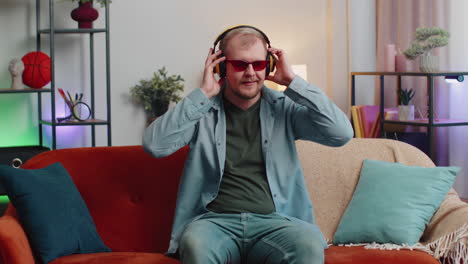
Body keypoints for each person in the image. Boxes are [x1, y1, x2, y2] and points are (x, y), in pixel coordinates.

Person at [143, 25, 353, 264]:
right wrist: (202, 93)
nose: (251, 73)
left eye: (260, 64)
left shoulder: (285, 109)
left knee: (307, 245)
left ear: (270, 65)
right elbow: (154, 145)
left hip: (276, 223)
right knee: (195, 244)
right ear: (221, 66)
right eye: (241, 65)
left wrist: (293, 82)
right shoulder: (201, 112)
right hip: (214, 224)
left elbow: (342, 133)